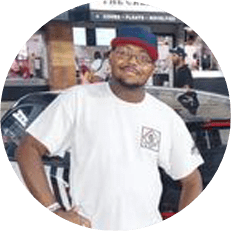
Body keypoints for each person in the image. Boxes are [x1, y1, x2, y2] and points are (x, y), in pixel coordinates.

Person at [16, 26, 204, 230]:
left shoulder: (165, 117)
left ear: (153, 68)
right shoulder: (78, 100)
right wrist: (52, 210)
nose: (132, 61)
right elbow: (28, 148)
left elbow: (192, 181)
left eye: (143, 58)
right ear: (110, 58)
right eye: (124, 52)